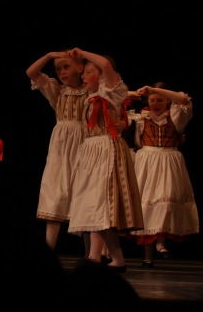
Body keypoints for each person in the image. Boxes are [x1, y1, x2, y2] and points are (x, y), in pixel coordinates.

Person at [66, 48, 143, 272]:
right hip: (91, 150)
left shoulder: (112, 92)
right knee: (94, 204)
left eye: (88, 72)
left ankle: (94, 257)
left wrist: (82, 52)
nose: (83, 76)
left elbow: (107, 66)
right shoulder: (90, 97)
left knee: (100, 204)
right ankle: (117, 260)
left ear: (101, 76)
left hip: (106, 150)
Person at [127, 83, 199, 268]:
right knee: (146, 206)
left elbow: (183, 100)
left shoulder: (175, 116)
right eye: (152, 100)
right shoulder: (141, 118)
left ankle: (161, 243)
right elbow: (136, 140)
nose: (155, 103)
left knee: (165, 201)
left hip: (168, 160)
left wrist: (154, 90)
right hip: (147, 161)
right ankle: (148, 257)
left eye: (160, 100)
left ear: (168, 100)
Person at [25, 50, 88, 252]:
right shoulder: (57, 90)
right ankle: (48, 250)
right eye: (58, 69)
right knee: (55, 190)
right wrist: (49, 55)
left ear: (80, 68)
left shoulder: (91, 90)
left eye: (66, 67)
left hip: (85, 143)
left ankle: (92, 254)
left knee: (84, 192)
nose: (61, 72)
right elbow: (31, 72)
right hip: (61, 145)